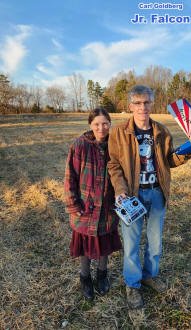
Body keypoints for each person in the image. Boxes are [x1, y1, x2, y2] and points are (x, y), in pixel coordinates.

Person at [108, 85, 191, 309]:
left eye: (146, 102)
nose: (142, 107)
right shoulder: (119, 132)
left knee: (155, 243)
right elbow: (114, 164)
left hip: (157, 193)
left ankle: (149, 275)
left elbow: (169, 161)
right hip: (132, 196)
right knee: (132, 243)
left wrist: (187, 154)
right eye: (137, 103)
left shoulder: (162, 131)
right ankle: (132, 284)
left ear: (151, 104)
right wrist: (120, 189)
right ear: (130, 106)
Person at [64, 108, 122, 301]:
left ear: (110, 124)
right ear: (90, 124)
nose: (101, 128)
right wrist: (73, 203)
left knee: (104, 243)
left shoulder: (115, 145)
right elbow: (70, 176)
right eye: (97, 124)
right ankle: (85, 277)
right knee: (86, 245)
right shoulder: (80, 145)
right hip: (86, 206)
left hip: (108, 206)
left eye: (105, 123)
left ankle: (102, 275)